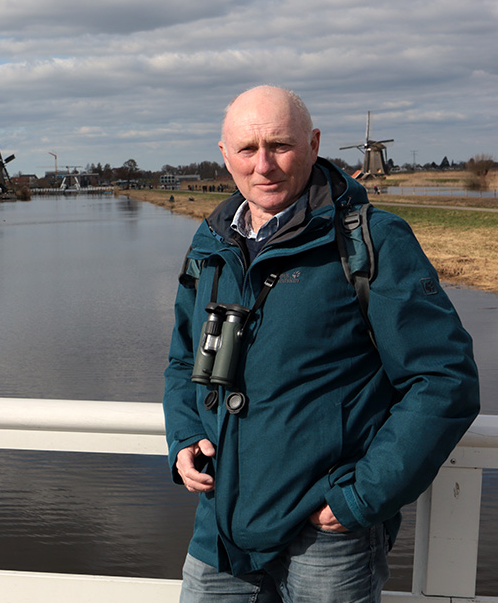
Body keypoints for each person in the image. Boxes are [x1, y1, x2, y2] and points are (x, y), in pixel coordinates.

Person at [163, 86, 479, 602]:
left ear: (313, 143)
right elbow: (183, 360)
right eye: (247, 150)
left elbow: (444, 380)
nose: (263, 165)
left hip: (328, 541)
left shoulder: (371, 241)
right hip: (221, 527)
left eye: (280, 145)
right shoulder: (211, 245)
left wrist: (360, 498)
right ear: (224, 156)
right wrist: (183, 438)